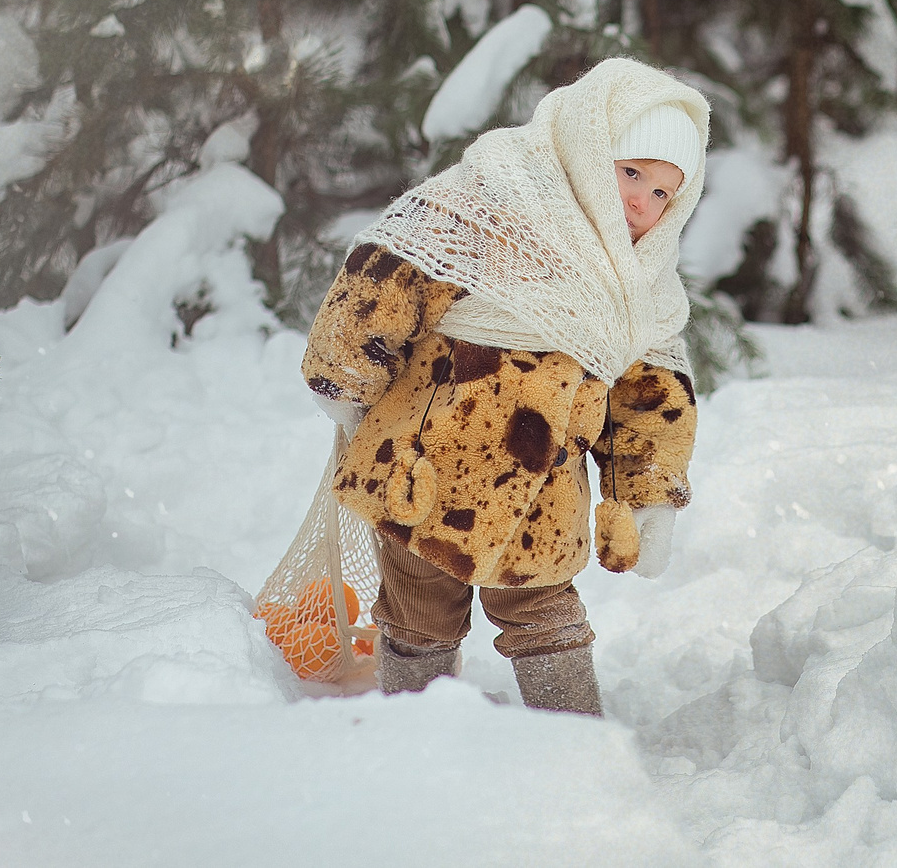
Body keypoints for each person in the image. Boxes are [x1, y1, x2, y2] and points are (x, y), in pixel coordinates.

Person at [299, 57, 707, 715]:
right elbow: (384, 282)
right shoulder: (490, 202)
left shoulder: (638, 280)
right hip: (423, 471)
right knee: (420, 617)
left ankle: (571, 740)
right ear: (587, 148)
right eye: (631, 172)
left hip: (542, 490)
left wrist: (646, 491)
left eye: (664, 192)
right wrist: (345, 377)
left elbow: (647, 392)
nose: (642, 202)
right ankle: (414, 731)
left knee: (546, 615)